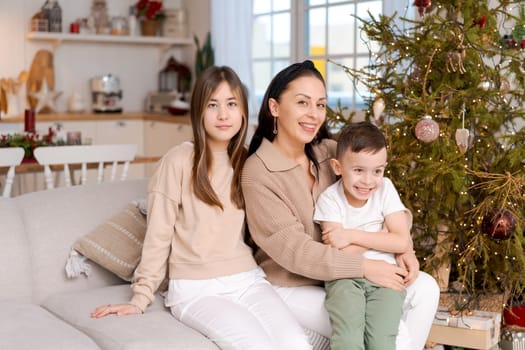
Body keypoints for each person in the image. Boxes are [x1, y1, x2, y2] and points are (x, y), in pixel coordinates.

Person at [91, 66, 312, 350]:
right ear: (199, 112)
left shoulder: (248, 161)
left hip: (248, 280)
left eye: (231, 104)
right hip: (196, 289)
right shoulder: (179, 160)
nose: (223, 114)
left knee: (296, 343)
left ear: (243, 111)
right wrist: (140, 297)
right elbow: (158, 235)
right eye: (213, 105)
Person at [242, 60, 440, 350]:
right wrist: (364, 266)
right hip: (294, 284)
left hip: (350, 272)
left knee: (425, 289)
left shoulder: (331, 153)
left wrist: (404, 249)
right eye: (302, 103)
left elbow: (385, 202)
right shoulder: (258, 172)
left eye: (320, 105)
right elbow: (298, 253)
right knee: (391, 336)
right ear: (274, 107)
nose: (313, 114)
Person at [313, 121, 413, 350]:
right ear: (338, 167)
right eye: (358, 170)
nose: (368, 181)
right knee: (348, 339)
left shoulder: (385, 189)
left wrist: (350, 235)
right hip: (345, 278)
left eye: (377, 171)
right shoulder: (330, 200)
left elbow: (401, 241)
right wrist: (380, 235)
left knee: (381, 341)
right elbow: (338, 254)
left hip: (388, 277)